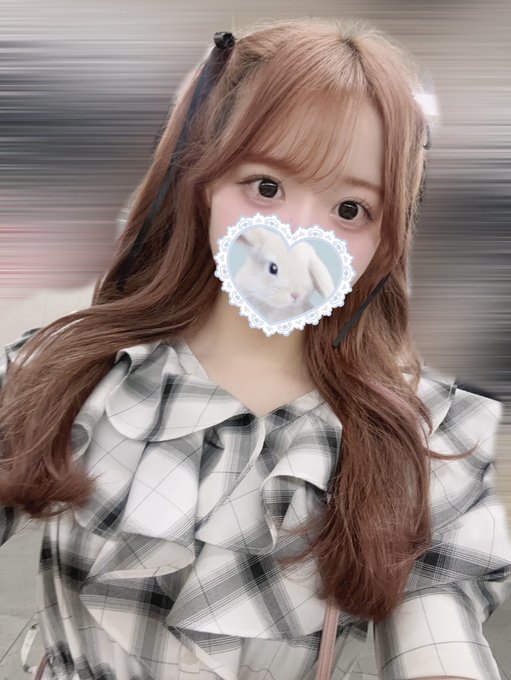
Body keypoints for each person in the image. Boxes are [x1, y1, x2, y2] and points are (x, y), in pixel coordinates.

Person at [1, 16, 510, 680]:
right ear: (203, 181)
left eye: (350, 210)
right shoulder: (68, 370)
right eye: (266, 186)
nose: (295, 235)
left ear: (388, 235)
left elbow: (438, 632)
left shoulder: (423, 434)